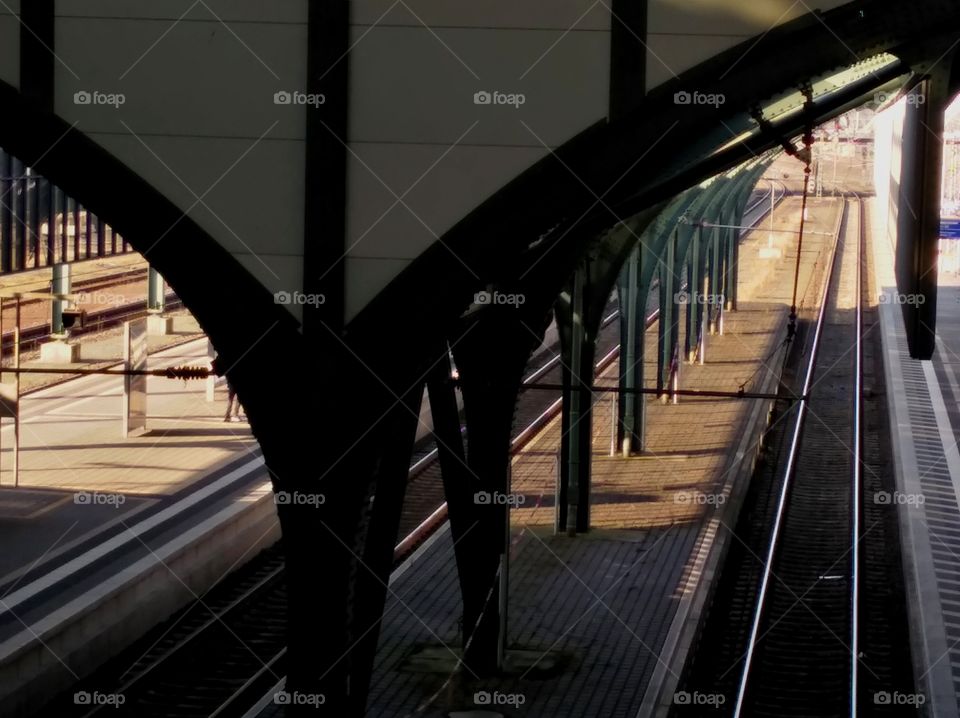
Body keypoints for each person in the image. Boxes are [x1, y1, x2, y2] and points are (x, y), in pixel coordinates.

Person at [211, 355, 242, 422]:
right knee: (238, 399)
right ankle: (235, 414)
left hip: (231, 382)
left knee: (230, 398)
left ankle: (227, 416)